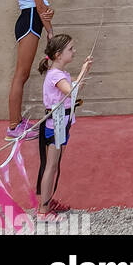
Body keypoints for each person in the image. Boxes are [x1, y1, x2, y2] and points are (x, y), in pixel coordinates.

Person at [36, 34, 92, 219]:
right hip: (55, 126)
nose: (74, 51)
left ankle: (48, 199)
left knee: (55, 165)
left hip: (63, 124)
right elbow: (71, 92)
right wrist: (84, 70)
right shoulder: (55, 75)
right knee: (51, 166)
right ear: (58, 55)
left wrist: (85, 72)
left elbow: (73, 90)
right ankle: (43, 210)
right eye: (71, 49)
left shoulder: (61, 74)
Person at [6, 0, 54, 140]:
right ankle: (13, 127)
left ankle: (17, 121)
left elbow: (41, 5)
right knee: (21, 75)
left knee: (22, 75)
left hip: (32, 20)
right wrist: (50, 30)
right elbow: (39, 5)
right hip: (30, 22)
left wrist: (47, 13)